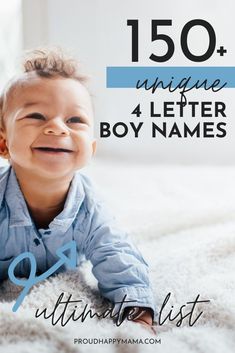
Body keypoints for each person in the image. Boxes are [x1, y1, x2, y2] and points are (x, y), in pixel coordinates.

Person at [0, 48, 156, 332]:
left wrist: (137, 314)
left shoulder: (90, 210)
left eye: (75, 120)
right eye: (36, 115)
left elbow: (118, 256)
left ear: (91, 149)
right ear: (3, 144)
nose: (58, 128)